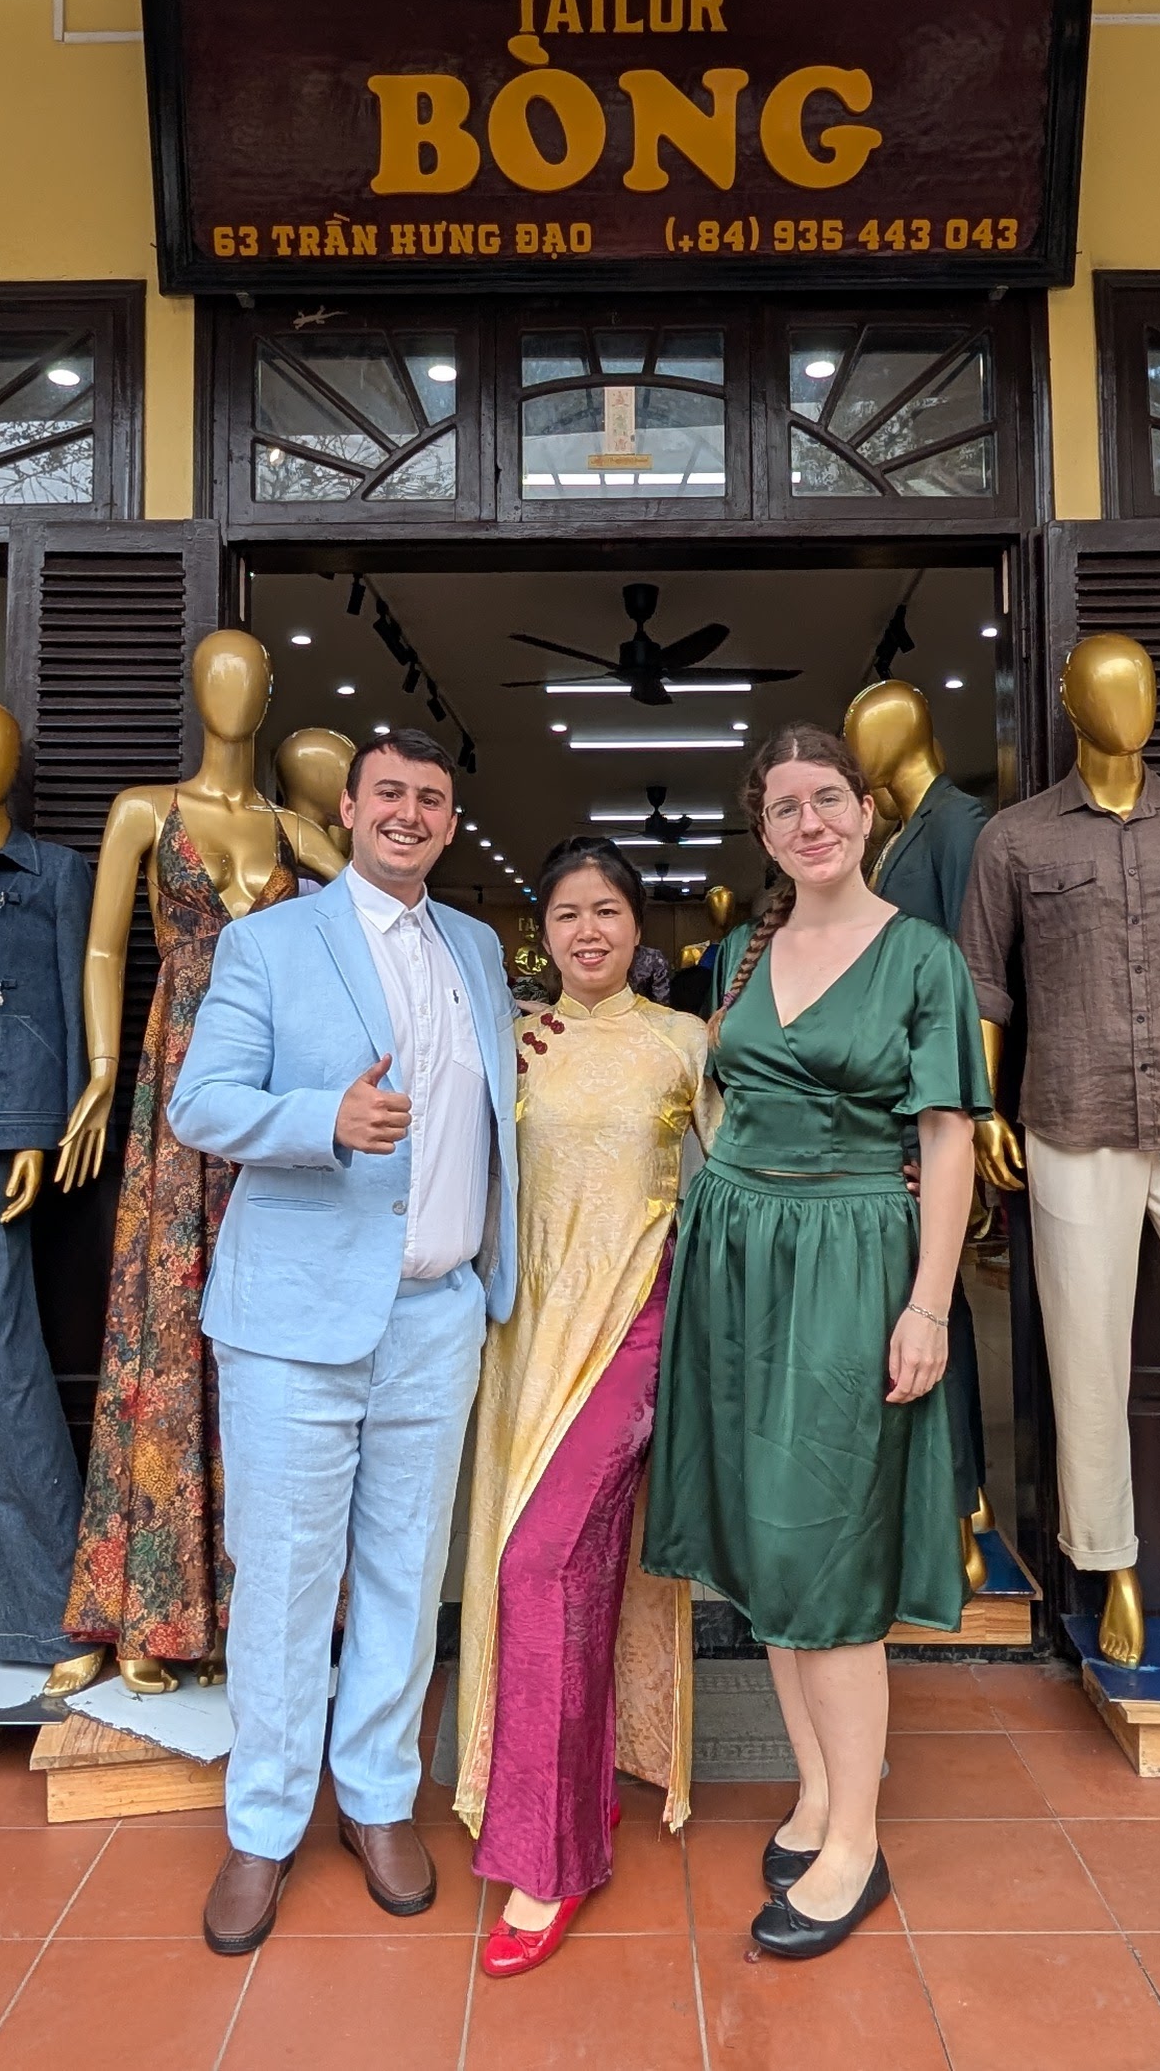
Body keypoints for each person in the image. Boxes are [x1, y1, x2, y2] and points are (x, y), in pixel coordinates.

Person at [167, 728, 517, 1957]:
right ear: (351, 811)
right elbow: (199, 1102)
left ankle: (375, 1798)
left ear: (449, 820)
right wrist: (325, 1117)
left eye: (431, 798)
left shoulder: (477, 948)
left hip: (437, 1313)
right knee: (283, 1581)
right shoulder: (270, 942)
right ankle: (262, 1827)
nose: (408, 813)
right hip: (293, 1320)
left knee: (406, 1577)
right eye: (389, 795)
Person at [643, 722, 989, 1961]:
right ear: (763, 827)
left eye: (828, 798)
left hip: (850, 1261)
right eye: (784, 806)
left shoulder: (921, 957)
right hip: (736, 1256)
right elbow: (719, 1100)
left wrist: (927, 1303)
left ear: (864, 810)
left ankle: (856, 1840)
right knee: (761, 1540)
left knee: (823, 1545)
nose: (810, 822)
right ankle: (817, 1790)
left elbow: (946, 1136)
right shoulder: (741, 952)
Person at [456, 837, 717, 1978]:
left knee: (542, 1567)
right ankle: (580, 1791)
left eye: (606, 911)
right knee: (569, 1568)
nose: (587, 931)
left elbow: (736, 1182)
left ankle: (547, 1858)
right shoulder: (512, 1042)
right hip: (524, 1339)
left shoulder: (682, 1043)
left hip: (633, 1332)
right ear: (544, 932)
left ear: (636, 926)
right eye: (566, 914)